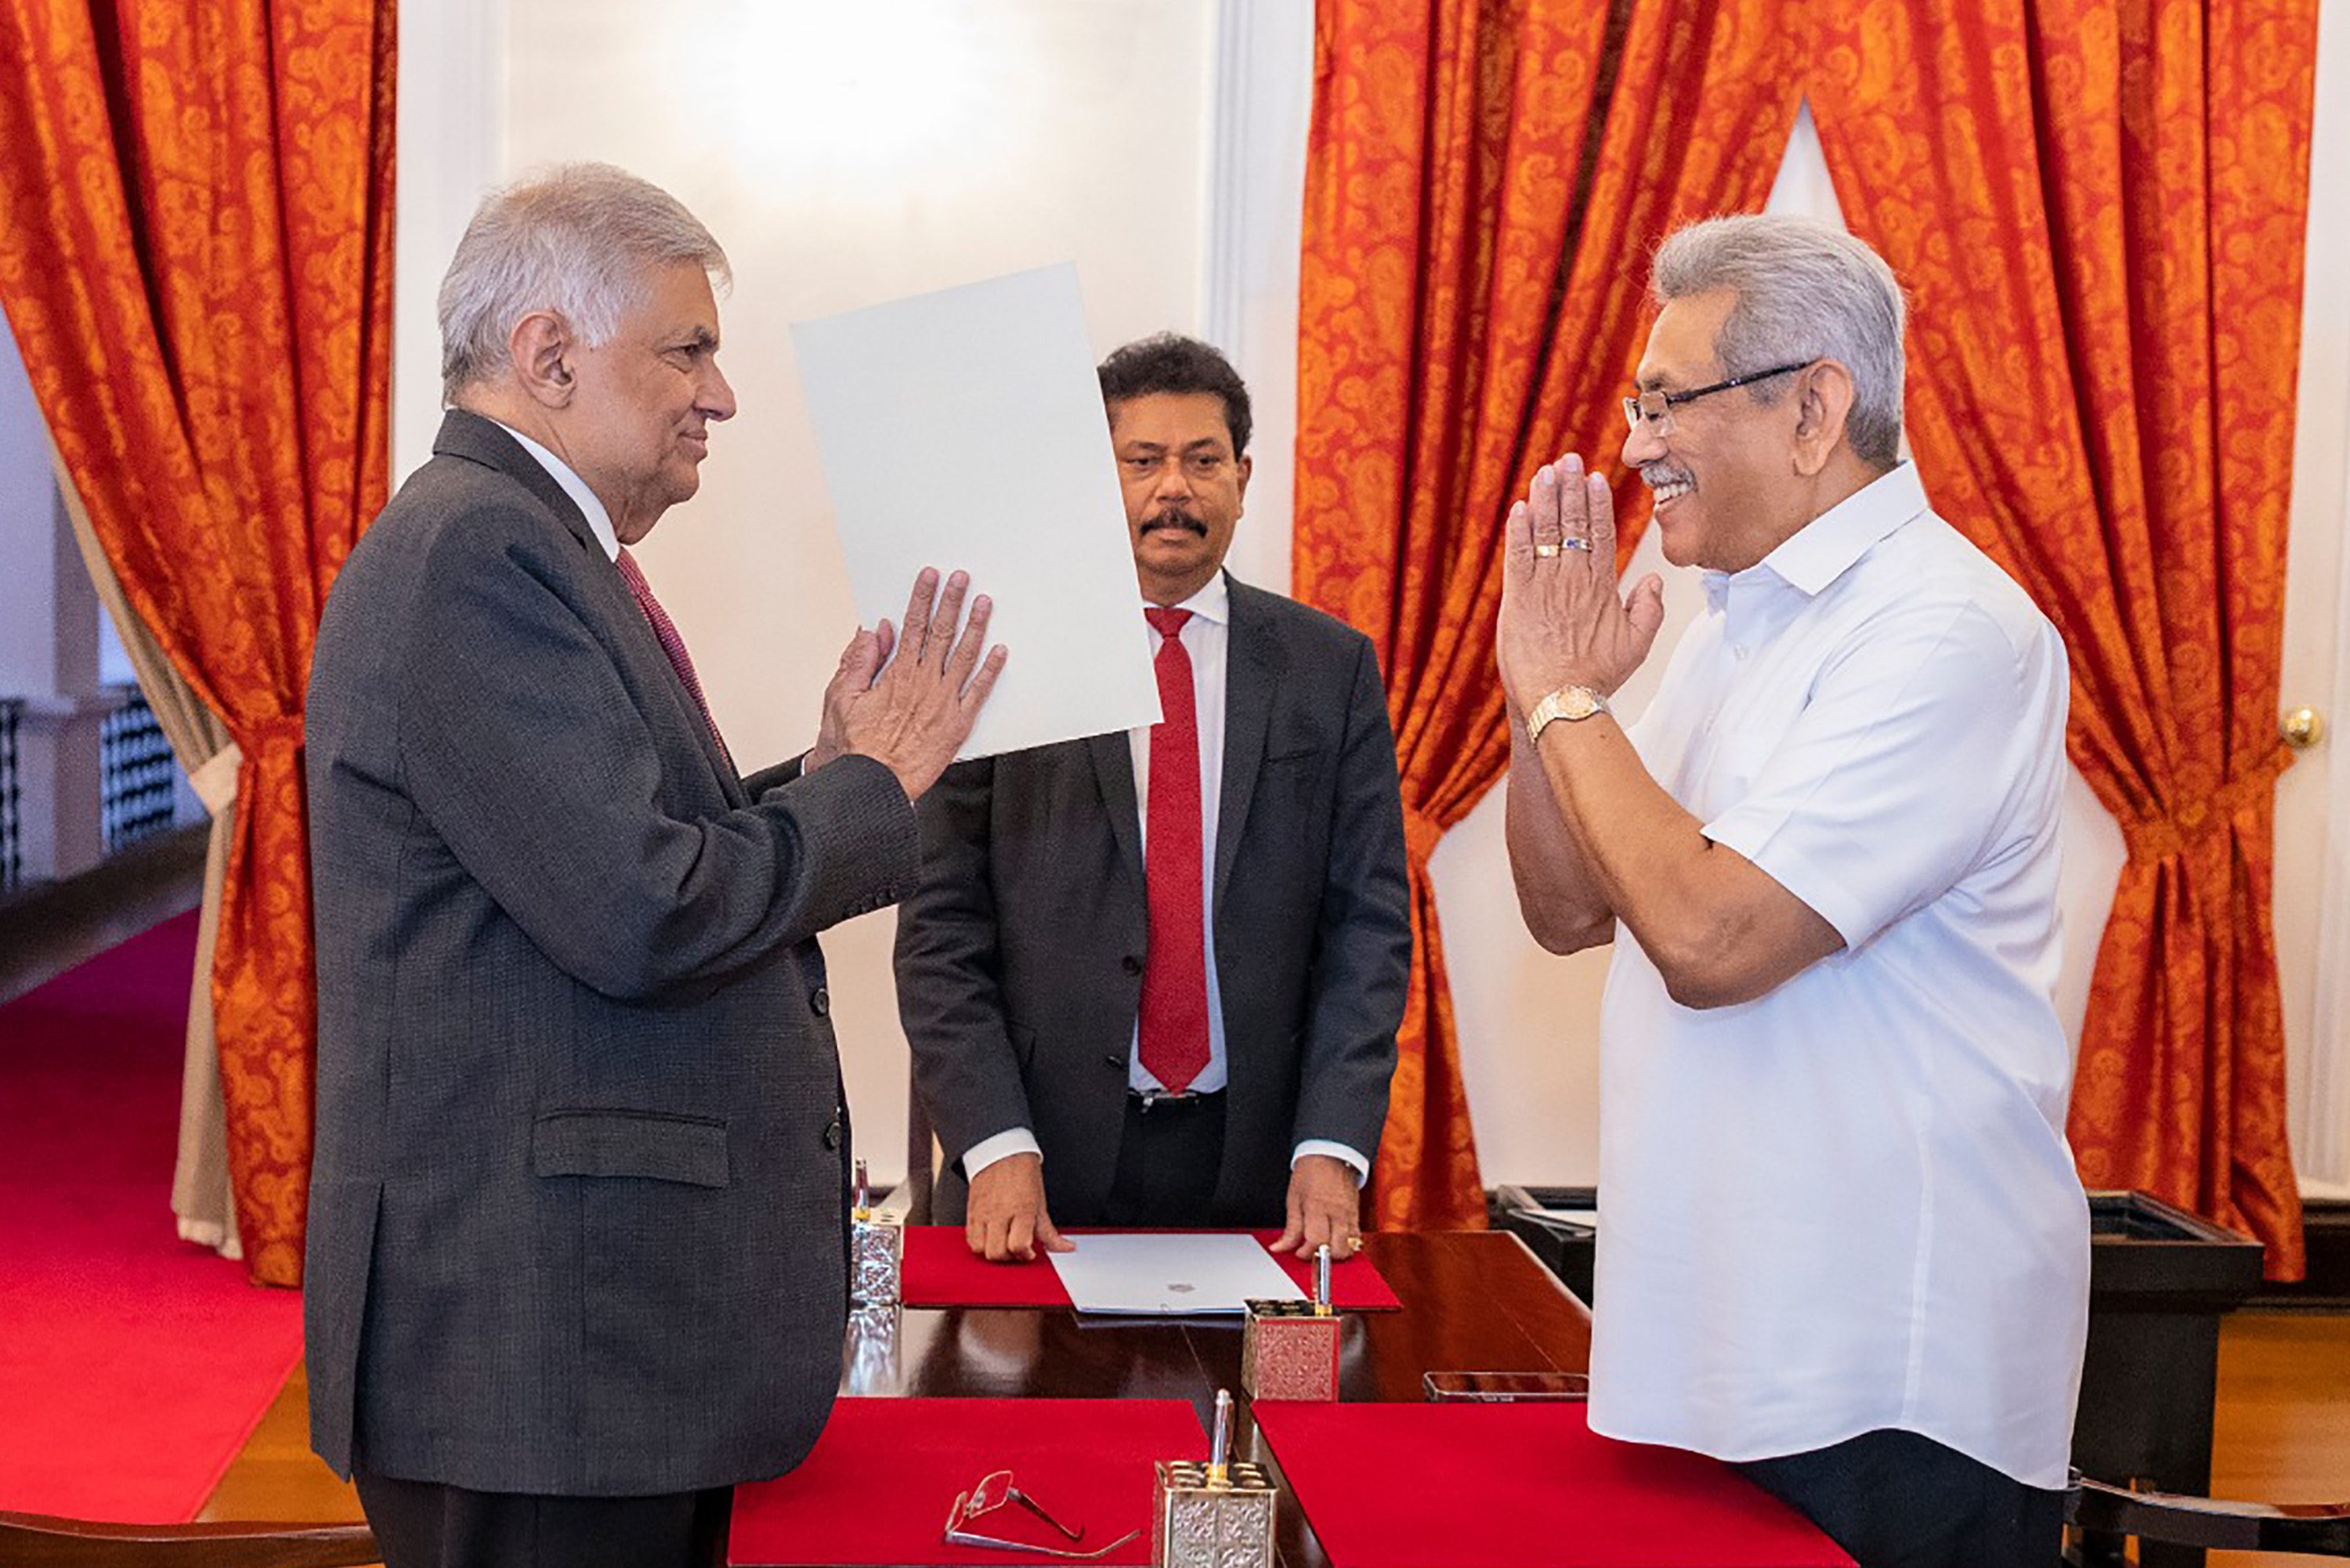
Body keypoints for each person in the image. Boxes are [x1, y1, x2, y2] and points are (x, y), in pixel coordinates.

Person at [302, 163, 1003, 1568]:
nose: (721, 394)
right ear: (549, 353)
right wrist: (870, 794)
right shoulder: (478, 549)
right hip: (542, 1342)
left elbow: (607, 850)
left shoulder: (524, 540)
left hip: (581, 1339)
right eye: (688, 348)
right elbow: (641, 911)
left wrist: (818, 779)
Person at [1496, 215, 2088, 1568]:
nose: (1638, 441)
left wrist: (1570, 697)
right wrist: (1544, 703)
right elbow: (1572, 906)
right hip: (1722, 1341)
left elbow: (1710, 937)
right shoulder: (1738, 623)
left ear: (1817, 406)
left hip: (1885, 1368)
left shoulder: (1943, 627)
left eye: (1667, 400)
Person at [893, 333, 1411, 1264]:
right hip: (1036, 1170)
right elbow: (941, 930)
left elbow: (1369, 927)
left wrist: (1333, 1143)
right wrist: (996, 1141)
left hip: (1262, 1165)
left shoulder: (1327, 669)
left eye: (1203, 461)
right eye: (1142, 461)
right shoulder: (1002, 660)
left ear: (1243, 479)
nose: (1174, 488)